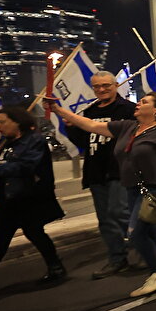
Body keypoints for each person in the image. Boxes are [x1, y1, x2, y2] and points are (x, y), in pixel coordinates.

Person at [50, 93, 156, 295]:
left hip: (153, 189)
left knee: (136, 234)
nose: (138, 103)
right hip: (130, 188)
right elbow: (91, 125)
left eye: (144, 102)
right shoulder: (127, 127)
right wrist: (58, 110)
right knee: (147, 233)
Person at [0, 107, 67, 294]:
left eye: (2, 122)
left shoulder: (34, 140)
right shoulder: (6, 143)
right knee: (1, 240)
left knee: (34, 233)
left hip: (29, 199)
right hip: (10, 200)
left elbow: (25, 167)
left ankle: (55, 267)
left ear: (17, 122)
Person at [60, 71, 139, 277]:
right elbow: (82, 143)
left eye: (106, 85)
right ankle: (117, 258)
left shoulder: (129, 109)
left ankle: (146, 248)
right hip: (96, 171)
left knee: (119, 212)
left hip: (120, 169)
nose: (102, 90)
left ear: (115, 85)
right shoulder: (89, 111)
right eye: (97, 87)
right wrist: (71, 127)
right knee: (105, 219)